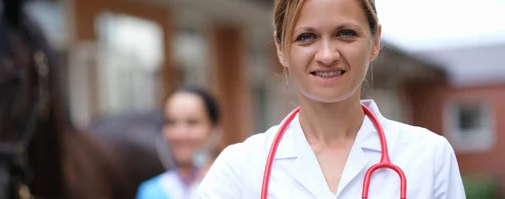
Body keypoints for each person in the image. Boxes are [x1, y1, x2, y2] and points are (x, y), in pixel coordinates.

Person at [198, 0, 466, 198]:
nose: (327, 55)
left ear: (375, 42)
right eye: (306, 37)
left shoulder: (428, 157)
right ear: (280, 49)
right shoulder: (238, 168)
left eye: (345, 33)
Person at [136, 86, 222, 199]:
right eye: (171, 122)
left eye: (192, 123)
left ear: (215, 130)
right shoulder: (150, 192)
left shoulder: (230, 186)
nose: (180, 134)